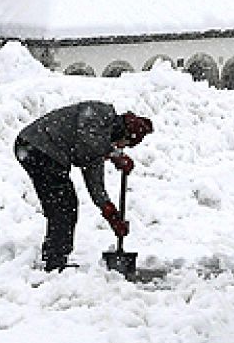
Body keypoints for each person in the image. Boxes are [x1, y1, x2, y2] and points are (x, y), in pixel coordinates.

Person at [14, 101, 153, 271]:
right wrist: (113, 154)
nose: (120, 147)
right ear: (124, 132)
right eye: (124, 144)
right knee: (64, 204)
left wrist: (110, 213)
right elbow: (86, 134)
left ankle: (54, 257)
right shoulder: (103, 113)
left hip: (37, 150)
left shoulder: (98, 148)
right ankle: (55, 261)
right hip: (37, 145)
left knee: (61, 204)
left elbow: (96, 185)